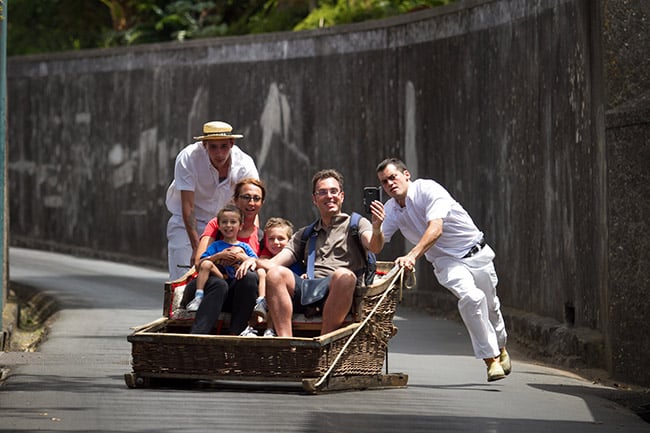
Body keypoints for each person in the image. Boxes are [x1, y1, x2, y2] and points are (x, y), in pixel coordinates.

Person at [374, 157, 511, 382]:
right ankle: (491, 360)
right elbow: (376, 245)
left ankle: (501, 347)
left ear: (406, 174)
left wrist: (412, 255)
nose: (389, 184)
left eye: (393, 177)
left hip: (477, 253)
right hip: (447, 262)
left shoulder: (428, 189)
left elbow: (435, 229)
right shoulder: (390, 209)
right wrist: (376, 226)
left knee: (492, 307)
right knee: (472, 298)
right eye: (384, 182)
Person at [237, 169, 384, 337]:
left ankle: (323, 342)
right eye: (322, 192)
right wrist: (252, 260)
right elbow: (275, 263)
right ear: (315, 199)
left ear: (341, 196)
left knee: (344, 275)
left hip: (342, 290)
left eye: (333, 191)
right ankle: (286, 343)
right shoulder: (306, 233)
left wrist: (377, 229)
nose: (329, 196)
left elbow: (375, 246)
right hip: (310, 290)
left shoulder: (357, 224)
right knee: (275, 274)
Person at [165, 120, 259, 281]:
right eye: (213, 147)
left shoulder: (244, 164)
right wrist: (197, 247)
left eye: (223, 146)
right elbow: (187, 206)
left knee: (236, 276)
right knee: (184, 277)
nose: (219, 153)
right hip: (187, 224)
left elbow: (252, 206)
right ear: (204, 144)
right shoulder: (189, 158)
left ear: (231, 143)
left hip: (226, 225)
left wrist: (251, 240)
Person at [185, 204, 258, 313]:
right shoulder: (216, 245)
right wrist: (219, 256)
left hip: (236, 280)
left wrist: (241, 258)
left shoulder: (244, 246)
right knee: (206, 264)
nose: (228, 225)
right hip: (219, 278)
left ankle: (260, 301)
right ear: (218, 226)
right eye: (224, 222)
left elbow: (255, 261)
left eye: (233, 222)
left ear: (240, 226)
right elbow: (201, 263)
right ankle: (198, 296)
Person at [253, 217, 305, 337]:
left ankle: (270, 330)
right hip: (262, 300)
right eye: (271, 239)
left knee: (276, 292)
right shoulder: (262, 259)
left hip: (286, 301)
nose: (276, 242)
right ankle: (251, 327)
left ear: (290, 241)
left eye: (281, 239)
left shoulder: (295, 262)